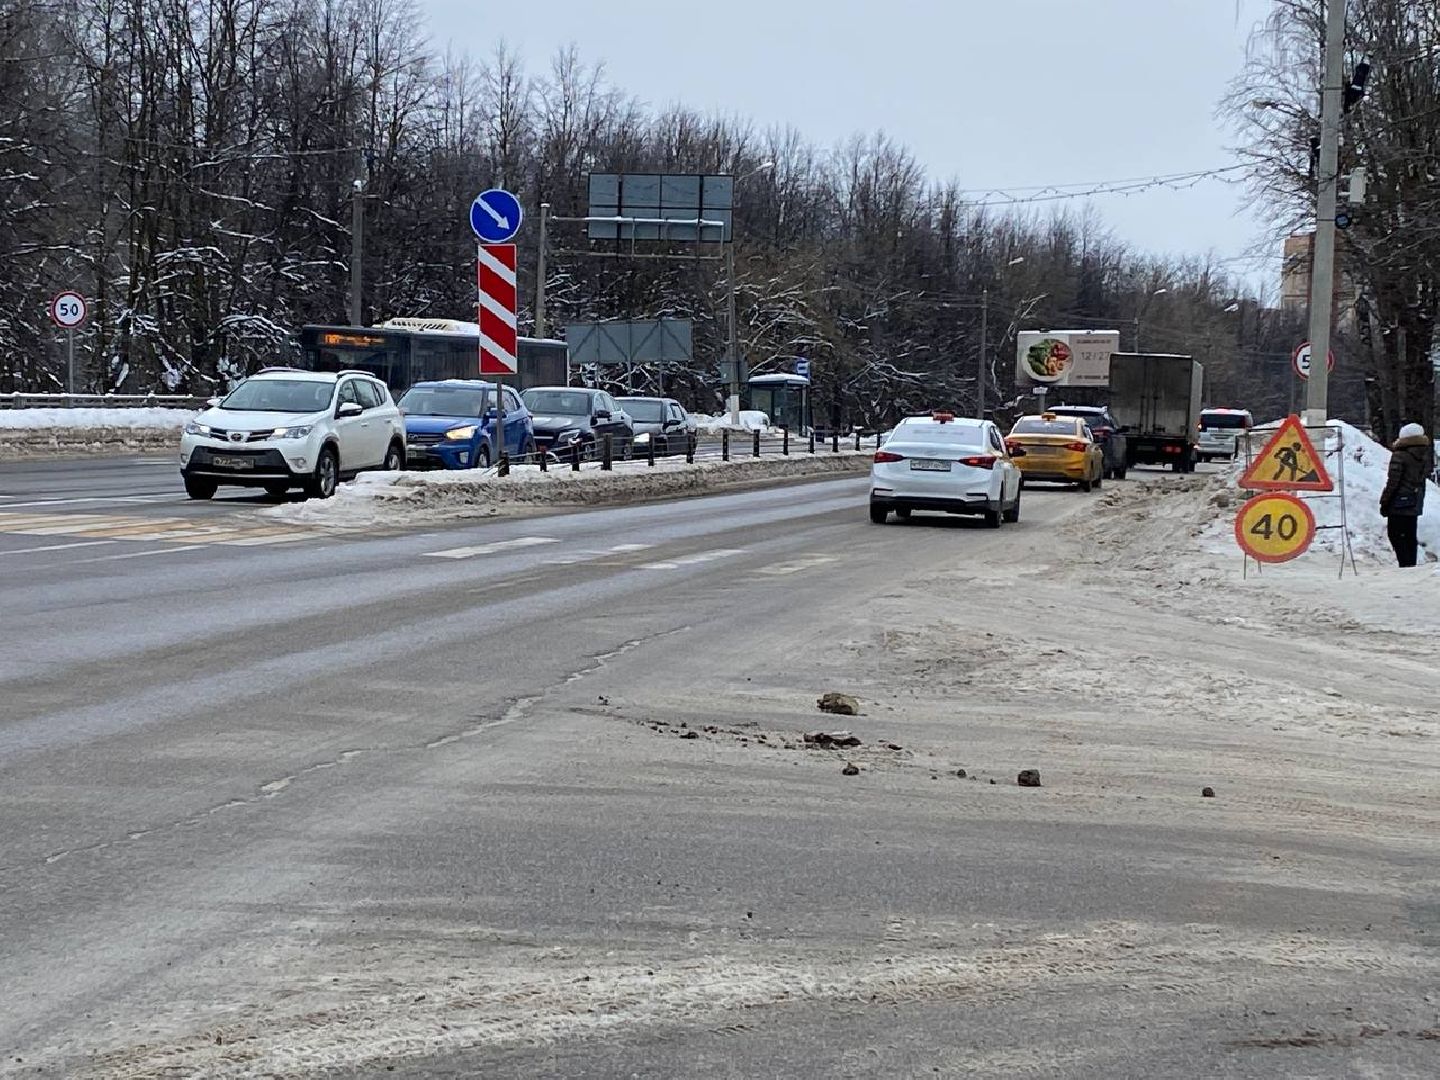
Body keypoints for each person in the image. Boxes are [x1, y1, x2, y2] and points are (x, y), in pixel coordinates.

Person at [1379, 422, 1430, 568]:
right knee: (1409, 536)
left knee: (1395, 534)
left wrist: (1385, 501)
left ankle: (1405, 565)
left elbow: (1393, 482)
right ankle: (1410, 566)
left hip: (1399, 503)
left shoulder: (1399, 456)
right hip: (1415, 501)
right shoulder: (1422, 455)